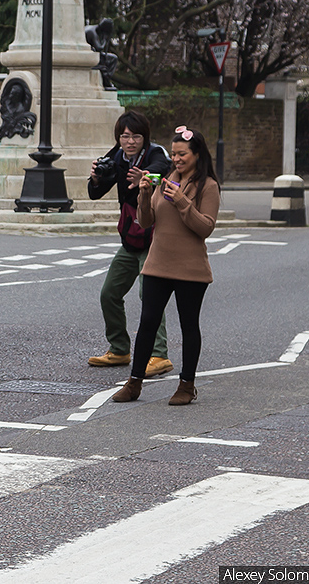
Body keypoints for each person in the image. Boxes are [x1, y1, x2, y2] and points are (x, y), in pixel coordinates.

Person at [112, 126, 220, 406]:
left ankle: (187, 385)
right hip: (157, 263)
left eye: (182, 154)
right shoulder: (166, 178)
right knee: (147, 322)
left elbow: (205, 227)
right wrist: (145, 195)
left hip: (190, 268)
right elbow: (146, 222)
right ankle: (134, 383)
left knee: (188, 325)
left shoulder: (208, 185)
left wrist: (183, 201)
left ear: (197, 154)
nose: (176, 159)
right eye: (173, 154)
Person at [86, 111, 174, 377]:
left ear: (144, 137)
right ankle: (120, 348)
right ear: (119, 137)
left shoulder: (155, 153)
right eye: (125, 136)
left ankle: (159, 355)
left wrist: (145, 178)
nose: (130, 141)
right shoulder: (116, 157)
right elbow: (93, 194)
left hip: (155, 238)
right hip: (131, 239)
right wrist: (97, 178)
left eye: (135, 136)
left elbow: (163, 170)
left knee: (149, 296)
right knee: (109, 293)